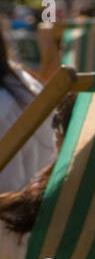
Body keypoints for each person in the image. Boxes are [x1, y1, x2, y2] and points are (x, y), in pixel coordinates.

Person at [0, 30, 56, 194]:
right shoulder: (27, 84)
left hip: (13, 211)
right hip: (43, 207)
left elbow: (6, 189)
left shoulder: (5, 104)